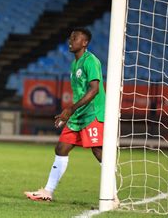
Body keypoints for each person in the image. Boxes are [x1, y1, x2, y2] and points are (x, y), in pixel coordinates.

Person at [24, 28, 116, 203]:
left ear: (85, 43)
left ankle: (112, 194)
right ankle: (48, 192)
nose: (70, 40)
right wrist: (70, 112)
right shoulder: (74, 64)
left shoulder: (91, 61)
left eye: (75, 38)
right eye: (70, 37)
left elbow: (95, 89)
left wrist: (70, 109)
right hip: (78, 115)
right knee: (61, 148)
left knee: (98, 151)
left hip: (92, 113)